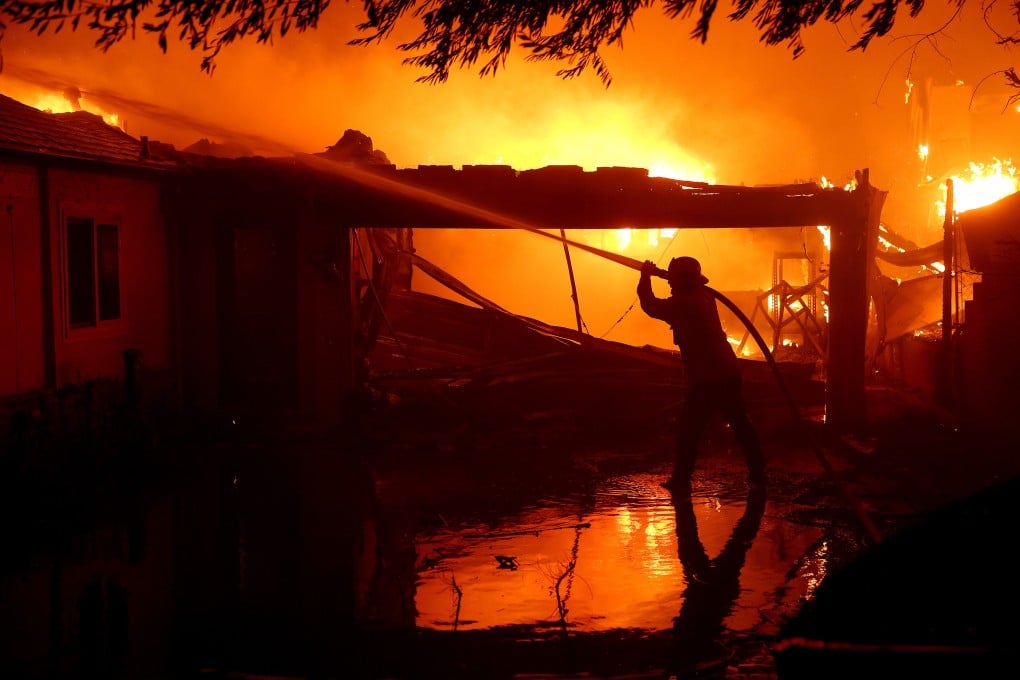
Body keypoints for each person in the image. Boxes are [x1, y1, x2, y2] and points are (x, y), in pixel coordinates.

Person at [637, 256, 766, 491]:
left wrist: (645, 276)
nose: (670, 284)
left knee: (689, 427)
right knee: (739, 423)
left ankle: (681, 480)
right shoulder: (703, 295)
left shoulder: (686, 303)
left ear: (683, 281)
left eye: (673, 280)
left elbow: (650, 305)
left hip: (710, 375)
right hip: (724, 370)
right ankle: (758, 474)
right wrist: (660, 275)